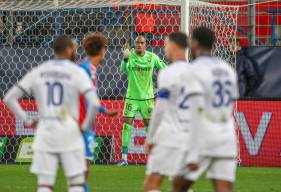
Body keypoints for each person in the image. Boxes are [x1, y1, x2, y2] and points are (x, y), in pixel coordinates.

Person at [4, 35, 102, 192]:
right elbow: (95, 103)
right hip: (70, 128)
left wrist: (28, 120)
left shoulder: (39, 70)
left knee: (44, 185)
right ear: (69, 50)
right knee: (77, 183)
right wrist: (84, 126)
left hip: (46, 129)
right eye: (75, 48)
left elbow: (9, 98)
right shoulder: (77, 71)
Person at [172, 26, 238, 192]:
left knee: (179, 185)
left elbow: (196, 113)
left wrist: (193, 153)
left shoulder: (193, 70)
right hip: (226, 136)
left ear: (194, 43)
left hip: (204, 137)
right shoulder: (227, 68)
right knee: (224, 188)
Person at [144, 32, 195, 192]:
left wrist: (151, 137)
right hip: (190, 138)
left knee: (151, 184)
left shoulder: (168, 73)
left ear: (173, 46)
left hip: (170, 135)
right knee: (180, 187)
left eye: (166, 44)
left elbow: (160, 108)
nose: (164, 48)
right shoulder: (196, 72)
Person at [118, 35, 166, 166]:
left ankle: (153, 158)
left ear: (146, 44)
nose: (139, 45)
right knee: (126, 125)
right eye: (137, 43)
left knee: (149, 128)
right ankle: (124, 158)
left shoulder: (152, 57)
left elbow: (165, 69)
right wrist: (125, 58)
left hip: (147, 99)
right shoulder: (130, 56)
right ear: (135, 44)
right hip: (131, 98)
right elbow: (122, 70)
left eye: (142, 43)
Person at [79, 33, 118, 191]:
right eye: (105, 48)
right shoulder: (84, 69)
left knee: (84, 171)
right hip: (81, 125)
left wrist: (104, 110)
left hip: (87, 125)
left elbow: (90, 99)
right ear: (101, 51)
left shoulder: (90, 70)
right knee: (81, 172)